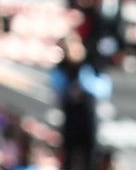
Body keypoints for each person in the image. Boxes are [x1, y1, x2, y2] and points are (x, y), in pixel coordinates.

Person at [50, 32, 112, 170]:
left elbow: (102, 88)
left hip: (88, 117)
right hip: (71, 117)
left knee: (90, 156)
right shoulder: (61, 68)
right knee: (69, 156)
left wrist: (84, 82)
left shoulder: (91, 64)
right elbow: (58, 91)